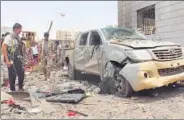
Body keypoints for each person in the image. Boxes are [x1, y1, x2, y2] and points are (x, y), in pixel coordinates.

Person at [2, 23, 25, 91]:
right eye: (20, 29)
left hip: (17, 58)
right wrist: (7, 61)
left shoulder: (17, 37)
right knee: (12, 75)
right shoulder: (9, 37)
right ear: (16, 29)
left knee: (21, 73)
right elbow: (3, 48)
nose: (21, 31)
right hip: (10, 59)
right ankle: (12, 90)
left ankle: (20, 88)